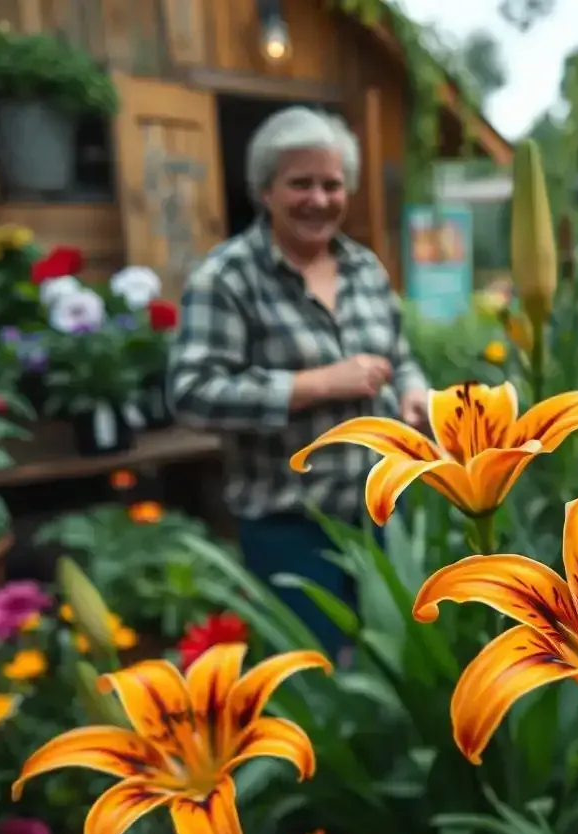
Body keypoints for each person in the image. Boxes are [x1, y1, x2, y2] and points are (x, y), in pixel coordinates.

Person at [168, 106, 429, 662]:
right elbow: (190, 392)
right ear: (265, 190)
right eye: (300, 183)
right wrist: (313, 384)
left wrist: (413, 391)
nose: (319, 198)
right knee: (315, 688)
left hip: (381, 518)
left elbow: (401, 356)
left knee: (396, 673)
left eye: (332, 184)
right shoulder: (227, 278)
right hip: (290, 529)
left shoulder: (365, 269)